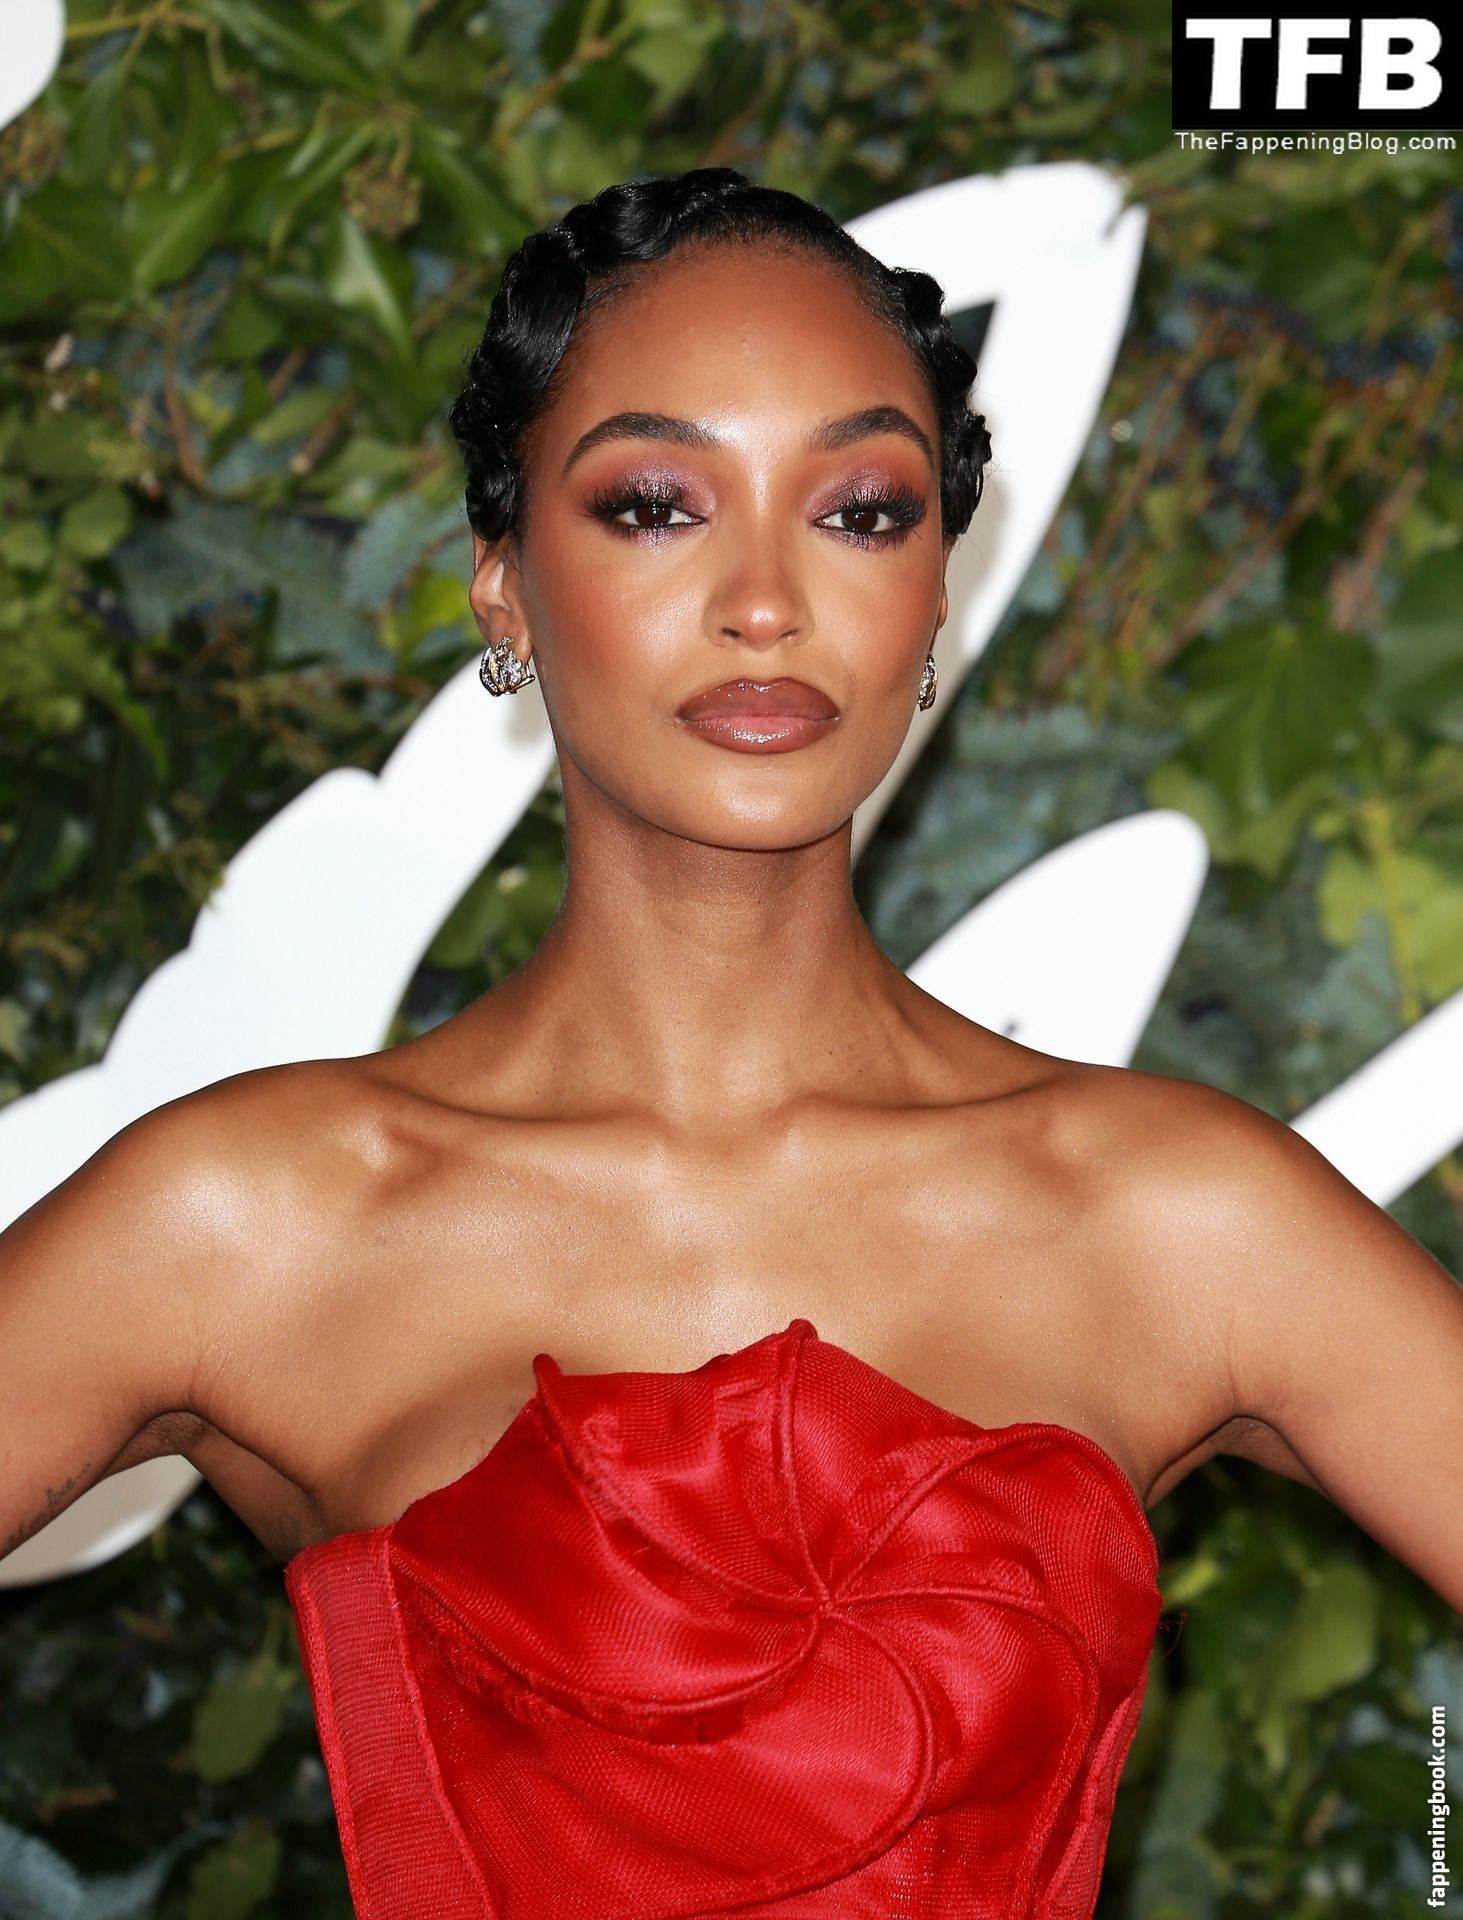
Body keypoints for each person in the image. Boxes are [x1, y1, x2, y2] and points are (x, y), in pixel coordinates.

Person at [3, 167, 1460, 1918]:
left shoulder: (1180, 1217)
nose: (766, 600)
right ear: (503, 585)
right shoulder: (250, 1219)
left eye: (860, 511)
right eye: (653, 505)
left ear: (937, 592)